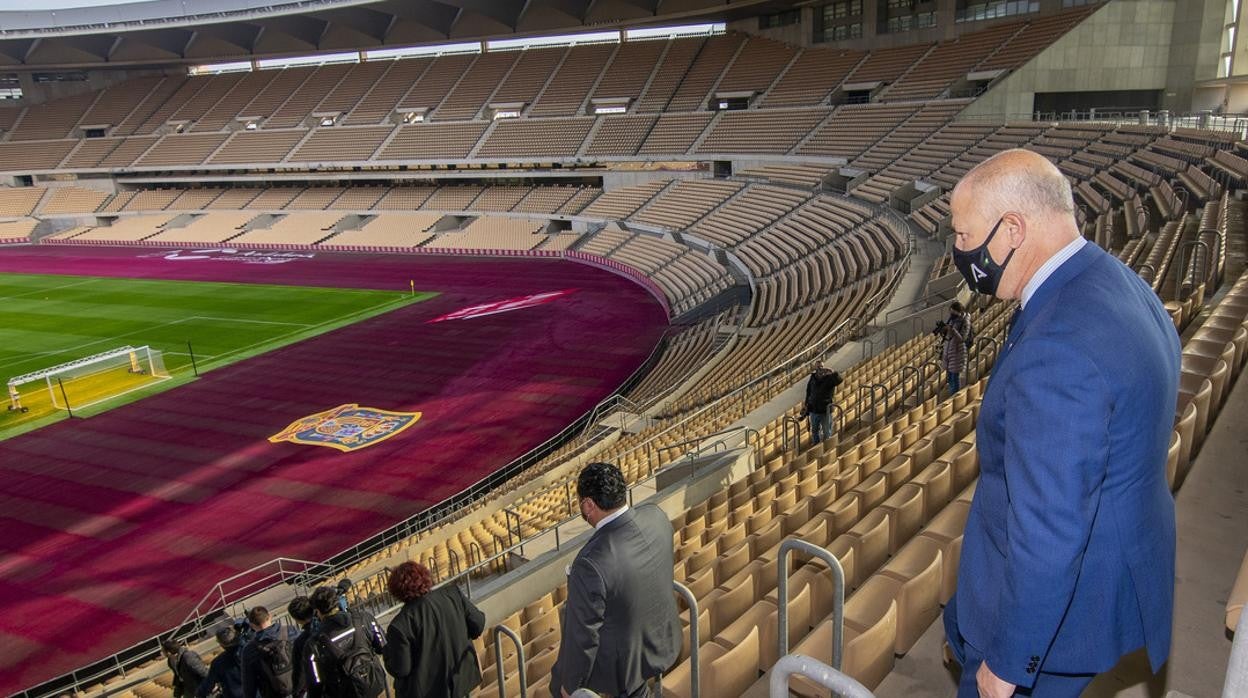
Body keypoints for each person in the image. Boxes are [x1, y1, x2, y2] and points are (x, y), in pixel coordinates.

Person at [943, 148, 1180, 698]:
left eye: (964, 234)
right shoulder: (1115, 281)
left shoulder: (1058, 352)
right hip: (1110, 572)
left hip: (1048, 626)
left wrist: (1006, 665)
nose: (958, 250)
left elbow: (1049, 533)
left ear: (1013, 230)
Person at [550, 462, 681, 698]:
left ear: (589, 504)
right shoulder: (656, 516)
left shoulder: (590, 564)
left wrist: (569, 686)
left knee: (557, 683)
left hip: (623, 668)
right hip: (661, 639)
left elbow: (583, 637)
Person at [382, 561, 486, 698]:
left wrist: (386, 651)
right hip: (460, 682)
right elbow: (478, 624)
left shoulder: (399, 625)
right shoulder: (453, 594)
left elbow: (401, 669)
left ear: (397, 591)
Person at [307, 585, 386, 698]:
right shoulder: (364, 618)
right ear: (337, 602)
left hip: (343, 692)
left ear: (317, 611)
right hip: (375, 685)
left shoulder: (315, 642)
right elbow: (383, 647)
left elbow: (316, 682)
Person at [241, 606, 299, 698]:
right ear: (270, 616)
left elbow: (249, 684)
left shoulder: (249, 649)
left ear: (251, 625)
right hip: (301, 688)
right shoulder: (291, 630)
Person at [197, 626, 245, 698]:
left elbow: (208, 685)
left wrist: (199, 694)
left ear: (221, 644)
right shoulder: (249, 649)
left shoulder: (218, 663)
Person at [935, 301, 972, 394]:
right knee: (950, 377)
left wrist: (952, 330)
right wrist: (943, 329)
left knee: (954, 377)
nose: (951, 314)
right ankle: (953, 396)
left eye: (953, 312)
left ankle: (954, 397)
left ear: (959, 311)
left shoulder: (965, 321)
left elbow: (962, 338)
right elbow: (948, 336)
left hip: (958, 351)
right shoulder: (952, 320)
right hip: (949, 350)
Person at [802, 362, 842, 444]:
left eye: (822, 367)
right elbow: (808, 391)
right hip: (814, 409)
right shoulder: (812, 378)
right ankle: (816, 446)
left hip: (825, 411)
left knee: (827, 432)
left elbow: (839, 380)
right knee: (814, 431)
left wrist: (833, 372)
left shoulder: (830, 378)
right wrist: (806, 404)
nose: (820, 370)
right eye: (818, 368)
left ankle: (827, 448)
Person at [288, 596, 319, 698]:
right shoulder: (328, 625)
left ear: (297, 620)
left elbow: (299, 672)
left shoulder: (301, 642)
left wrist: (297, 693)